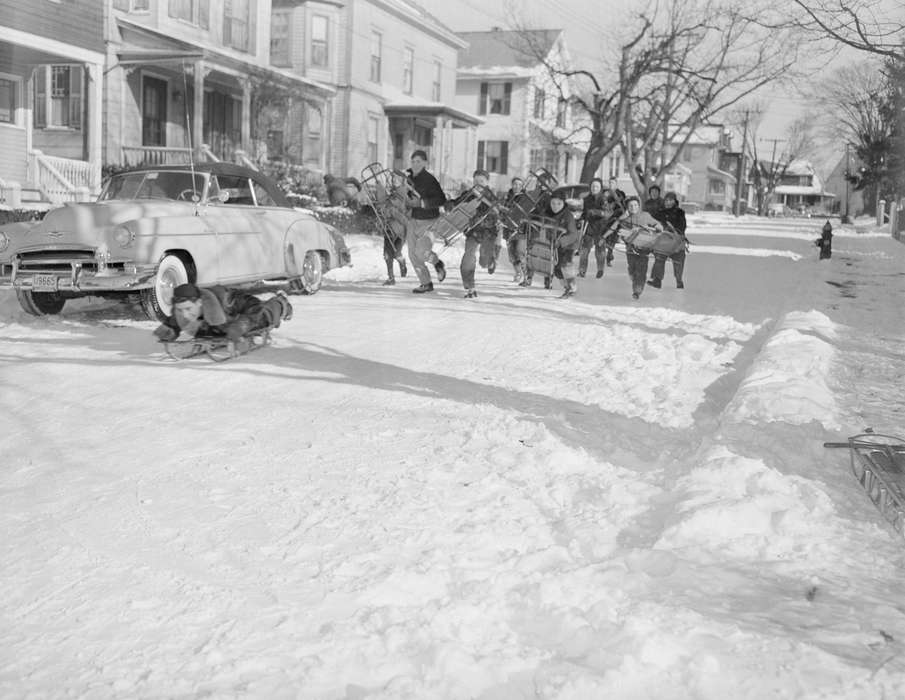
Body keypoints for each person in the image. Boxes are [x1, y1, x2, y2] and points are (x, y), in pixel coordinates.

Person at [153, 283, 293, 348]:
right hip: (218, 323)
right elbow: (176, 316)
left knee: (263, 318)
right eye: (180, 310)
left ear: (200, 302)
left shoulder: (227, 301)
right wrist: (170, 327)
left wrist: (241, 326)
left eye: (188, 308)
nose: (185, 314)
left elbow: (256, 310)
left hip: (243, 311)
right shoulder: (184, 309)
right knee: (210, 328)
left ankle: (281, 303)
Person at [449, 169, 498, 298]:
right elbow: (457, 203)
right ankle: (470, 288)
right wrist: (450, 204)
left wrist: (483, 217)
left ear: (487, 182)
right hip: (472, 233)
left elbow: (496, 214)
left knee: (484, 262)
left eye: (481, 181)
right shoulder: (468, 194)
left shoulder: (492, 197)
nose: (478, 183)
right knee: (468, 258)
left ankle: (490, 260)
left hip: (488, 233)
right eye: (476, 181)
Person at [404, 150, 447, 294]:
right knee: (412, 254)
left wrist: (422, 203)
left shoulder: (430, 179)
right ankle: (426, 283)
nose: (415, 164)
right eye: (413, 161)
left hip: (429, 221)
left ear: (424, 163)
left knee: (421, 251)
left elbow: (441, 200)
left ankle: (437, 263)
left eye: (418, 161)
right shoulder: (407, 177)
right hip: (413, 219)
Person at [524, 190, 580, 297]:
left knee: (565, 263)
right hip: (554, 242)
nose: (555, 206)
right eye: (553, 203)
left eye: (559, 203)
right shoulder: (547, 212)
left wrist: (562, 241)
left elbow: (573, 234)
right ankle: (566, 287)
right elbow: (536, 217)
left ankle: (572, 287)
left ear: (563, 204)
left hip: (568, 244)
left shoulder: (568, 216)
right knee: (557, 269)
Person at [616, 196, 663, 299]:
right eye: (631, 205)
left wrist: (657, 227)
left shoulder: (645, 215)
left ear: (639, 205)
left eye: (636, 205)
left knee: (641, 270)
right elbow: (622, 235)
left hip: (644, 248)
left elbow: (656, 224)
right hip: (631, 249)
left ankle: (637, 291)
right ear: (627, 207)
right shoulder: (626, 220)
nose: (633, 207)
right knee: (632, 268)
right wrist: (627, 235)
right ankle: (633, 276)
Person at [648, 191, 688, 289]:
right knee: (659, 258)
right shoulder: (660, 212)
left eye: (670, 200)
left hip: (677, 240)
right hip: (663, 241)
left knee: (679, 259)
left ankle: (679, 280)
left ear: (674, 201)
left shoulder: (679, 213)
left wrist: (673, 229)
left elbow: (682, 226)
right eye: (666, 200)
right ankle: (657, 280)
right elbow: (651, 222)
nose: (667, 202)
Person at [578, 178, 613, 278]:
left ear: (600, 188)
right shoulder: (586, 199)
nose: (594, 188)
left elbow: (608, 213)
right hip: (588, 228)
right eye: (593, 186)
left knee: (600, 252)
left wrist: (596, 212)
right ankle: (582, 270)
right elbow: (585, 213)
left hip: (601, 229)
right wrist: (580, 219)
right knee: (584, 251)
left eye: (597, 186)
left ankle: (600, 270)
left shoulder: (603, 199)